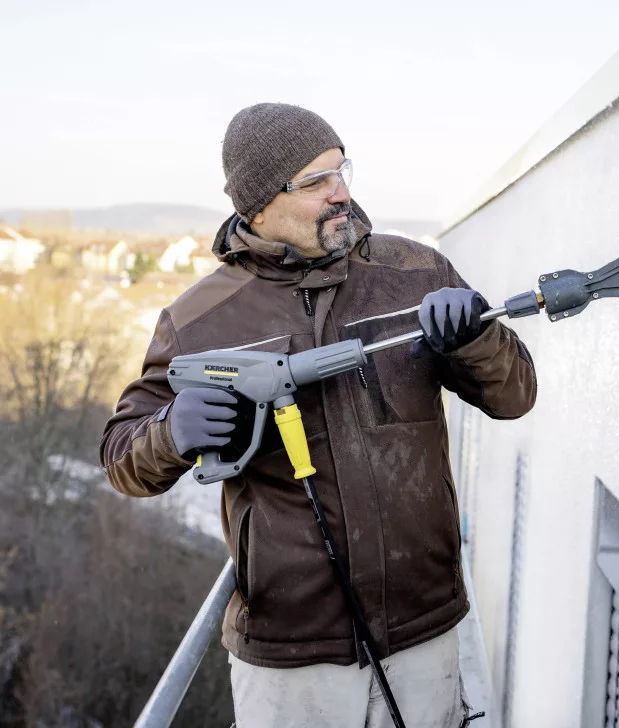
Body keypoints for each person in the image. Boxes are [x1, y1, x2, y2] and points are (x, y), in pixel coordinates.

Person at [99, 103, 537, 727]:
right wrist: (170, 432)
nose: (342, 194)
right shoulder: (200, 320)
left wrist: (476, 339)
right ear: (258, 205)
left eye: (341, 170)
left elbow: (515, 396)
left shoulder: (415, 273)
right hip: (290, 656)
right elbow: (122, 459)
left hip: (424, 629)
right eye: (315, 181)